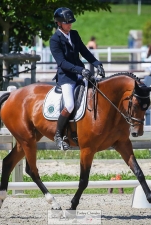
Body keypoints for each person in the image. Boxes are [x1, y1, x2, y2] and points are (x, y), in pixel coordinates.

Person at [50, 7, 105, 151]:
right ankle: (58, 135)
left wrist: (97, 63)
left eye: (70, 22)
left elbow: (84, 51)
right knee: (69, 105)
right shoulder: (55, 40)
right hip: (66, 77)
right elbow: (62, 62)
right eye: (67, 23)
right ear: (59, 23)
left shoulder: (74, 34)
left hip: (81, 74)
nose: (70, 25)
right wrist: (81, 70)